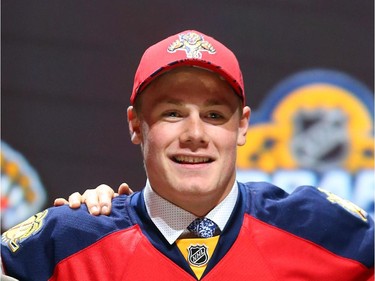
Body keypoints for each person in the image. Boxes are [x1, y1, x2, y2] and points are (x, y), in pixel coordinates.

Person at [1, 30, 374, 281]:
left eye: (214, 115)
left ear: (242, 127)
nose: (195, 134)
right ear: (136, 125)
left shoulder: (317, 226)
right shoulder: (68, 240)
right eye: (172, 113)